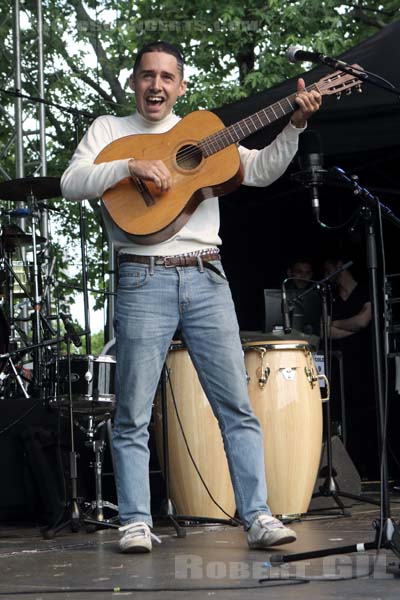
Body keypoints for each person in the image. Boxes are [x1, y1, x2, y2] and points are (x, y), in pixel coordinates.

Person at [61, 41, 322, 553]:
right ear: (133, 82)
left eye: (166, 77)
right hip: (141, 276)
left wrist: (294, 125)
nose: (155, 85)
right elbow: (72, 182)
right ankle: (135, 521)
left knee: (235, 406)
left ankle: (258, 516)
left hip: (205, 276)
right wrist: (128, 166)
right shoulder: (109, 131)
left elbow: (264, 170)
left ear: (181, 86)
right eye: (146, 75)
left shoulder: (204, 132)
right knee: (133, 410)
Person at [323, 257, 377, 477]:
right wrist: (351, 325)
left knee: (366, 414)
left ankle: (369, 468)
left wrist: (336, 324)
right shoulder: (332, 297)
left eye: (329, 270)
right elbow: (325, 331)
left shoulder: (365, 291)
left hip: (364, 364)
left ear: (340, 266)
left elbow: (364, 321)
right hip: (339, 365)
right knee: (343, 416)